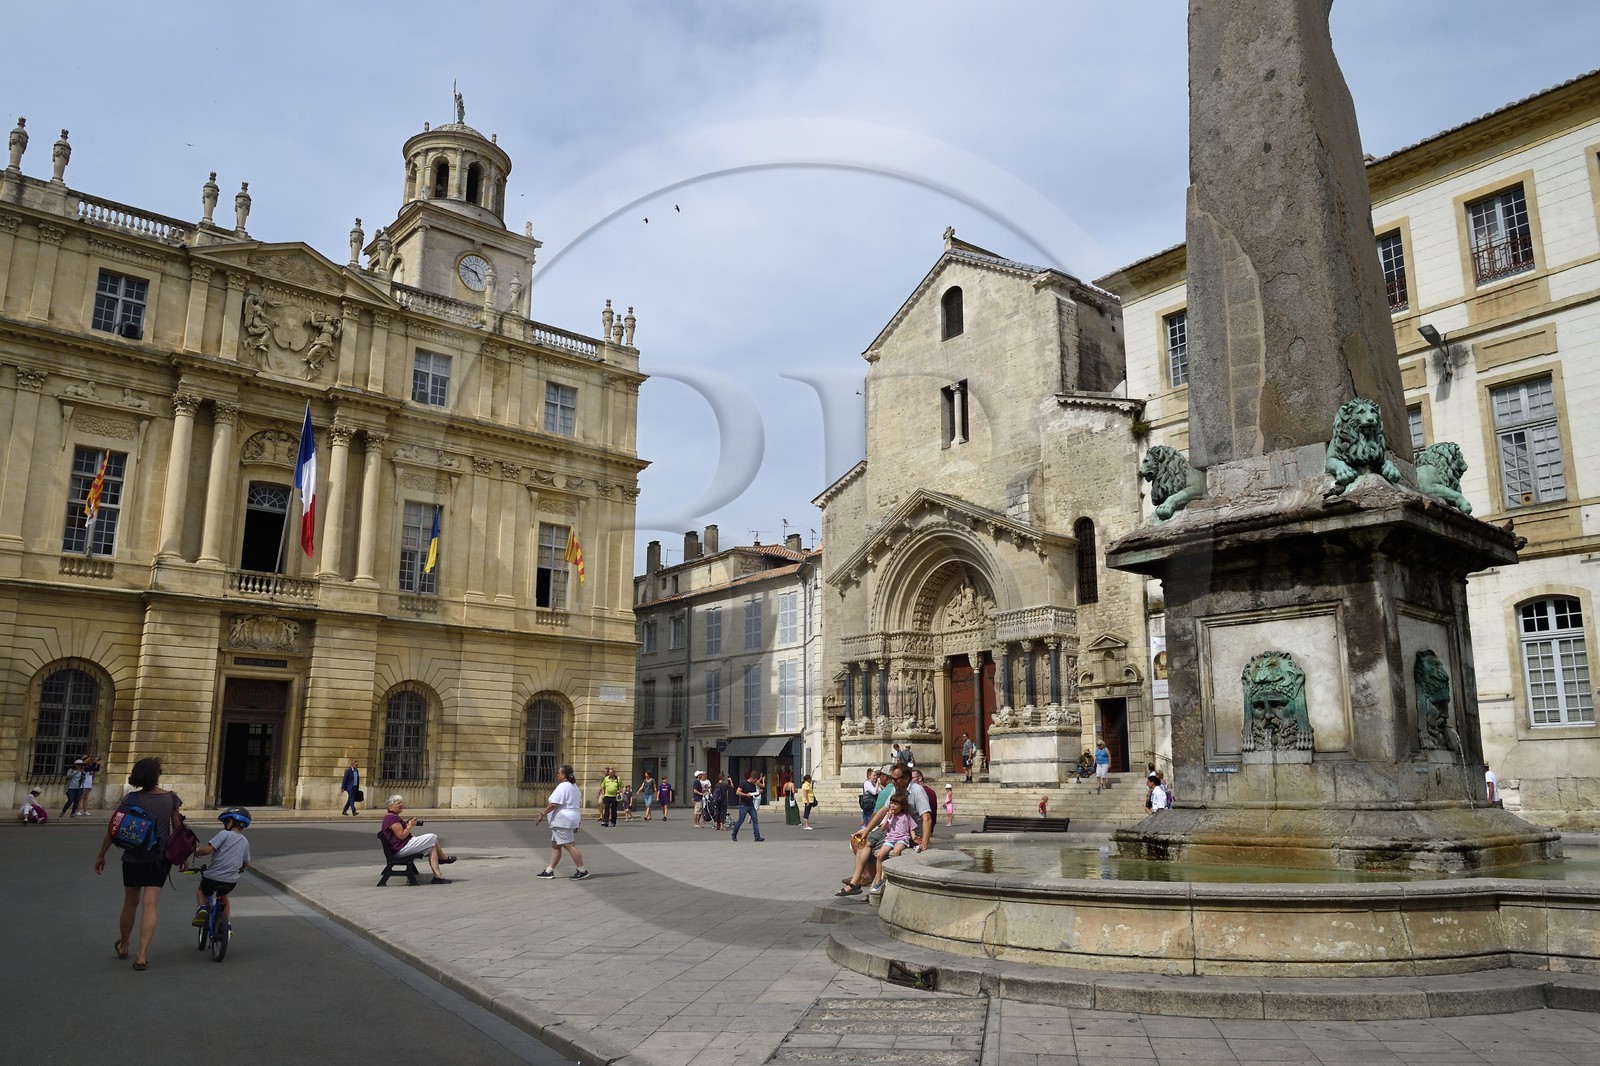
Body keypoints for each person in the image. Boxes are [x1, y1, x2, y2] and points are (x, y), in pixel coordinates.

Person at [94, 756, 183, 971]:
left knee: (130, 902)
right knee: (150, 904)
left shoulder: (130, 799)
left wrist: (101, 855)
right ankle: (142, 955)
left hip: (133, 857)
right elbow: (178, 831)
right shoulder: (171, 799)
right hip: (159, 859)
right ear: (157, 775)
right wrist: (183, 857)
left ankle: (124, 945)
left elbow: (114, 829)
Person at [839, 764, 933, 898]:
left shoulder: (917, 791)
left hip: (908, 833)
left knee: (873, 848)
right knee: (859, 840)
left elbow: (927, 818)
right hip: (892, 829)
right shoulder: (896, 789)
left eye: (895, 779)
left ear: (906, 779)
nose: (892, 781)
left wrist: (924, 843)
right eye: (891, 778)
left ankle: (870, 881)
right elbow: (882, 811)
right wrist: (866, 831)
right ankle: (857, 881)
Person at [192, 806, 252, 930]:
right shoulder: (245, 841)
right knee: (223, 896)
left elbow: (208, 850)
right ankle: (227, 924)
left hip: (212, 878)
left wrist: (196, 852)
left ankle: (202, 909)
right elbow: (245, 862)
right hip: (230, 881)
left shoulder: (224, 834)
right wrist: (241, 869)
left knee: (201, 891)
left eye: (225, 822)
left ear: (229, 822)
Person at [381, 795, 457, 884]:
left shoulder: (392, 817)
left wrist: (408, 824)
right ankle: (443, 857)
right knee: (432, 837)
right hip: (401, 849)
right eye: (398, 803)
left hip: (402, 846)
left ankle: (438, 877)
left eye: (402, 803)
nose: (401, 805)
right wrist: (410, 826)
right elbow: (401, 836)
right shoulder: (391, 818)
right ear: (390, 806)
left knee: (431, 848)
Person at [534, 764, 590, 879]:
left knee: (569, 845)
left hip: (563, 820)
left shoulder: (563, 786)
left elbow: (554, 803)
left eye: (559, 773)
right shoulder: (573, 786)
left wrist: (542, 814)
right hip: (569, 818)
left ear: (564, 775)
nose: (557, 775)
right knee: (556, 845)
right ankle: (549, 871)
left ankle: (582, 870)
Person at [867, 794, 918, 893]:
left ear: (902, 806)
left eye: (896, 804)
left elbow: (912, 828)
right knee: (879, 855)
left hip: (902, 839)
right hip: (890, 839)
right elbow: (882, 828)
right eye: (891, 803)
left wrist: (914, 837)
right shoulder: (889, 816)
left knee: (896, 852)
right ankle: (878, 879)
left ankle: (895, 875)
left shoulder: (906, 816)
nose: (892, 806)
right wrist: (888, 819)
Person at [731, 770, 765, 841]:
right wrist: (746, 795)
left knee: (755, 820)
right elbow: (737, 792)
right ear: (752, 778)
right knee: (741, 820)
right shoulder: (743, 783)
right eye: (755, 780)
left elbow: (753, 795)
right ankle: (734, 834)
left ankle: (757, 837)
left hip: (751, 805)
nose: (756, 782)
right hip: (744, 805)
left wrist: (758, 793)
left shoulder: (753, 785)